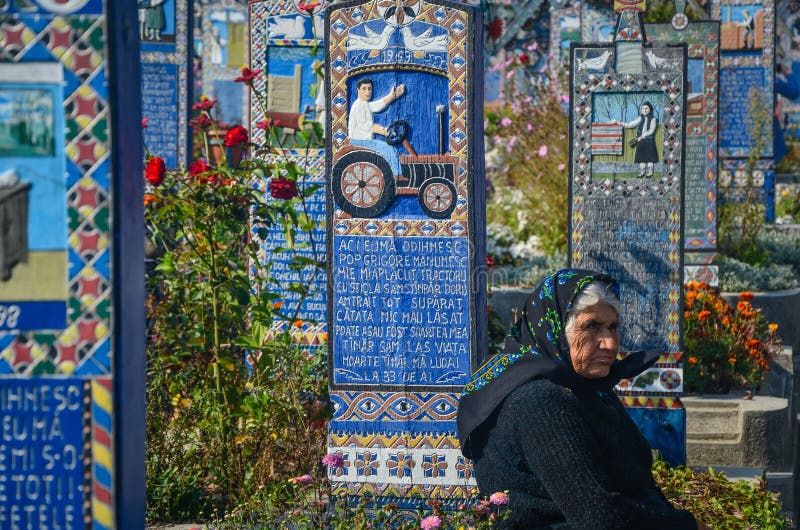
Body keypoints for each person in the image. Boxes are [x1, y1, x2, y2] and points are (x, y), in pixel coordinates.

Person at [457, 269, 709, 529]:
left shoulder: (588, 391)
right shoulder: (538, 402)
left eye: (613, 327)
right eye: (591, 327)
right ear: (554, 328)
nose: (610, 344)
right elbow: (599, 517)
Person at [347, 78, 405, 177]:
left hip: (363, 140)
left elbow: (376, 106)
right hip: (360, 141)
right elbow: (366, 126)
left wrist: (392, 96)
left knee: (391, 150)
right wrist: (383, 131)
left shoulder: (363, 104)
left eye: (369, 89)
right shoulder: (359, 105)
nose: (367, 92)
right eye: (364, 89)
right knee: (390, 150)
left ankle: (396, 174)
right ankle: (397, 176)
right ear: (358, 89)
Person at [613, 101, 659, 177]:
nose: (644, 110)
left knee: (650, 158)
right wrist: (619, 123)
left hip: (649, 141)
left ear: (650, 109)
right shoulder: (640, 118)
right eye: (643, 108)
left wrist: (642, 136)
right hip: (640, 141)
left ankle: (650, 172)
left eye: (646, 108)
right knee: (641, 158)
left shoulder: (653, 119)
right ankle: (642, 172)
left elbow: (651, 130)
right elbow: (630, 124)